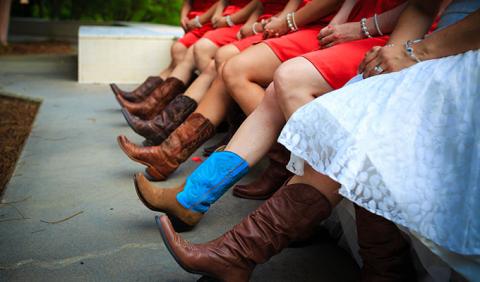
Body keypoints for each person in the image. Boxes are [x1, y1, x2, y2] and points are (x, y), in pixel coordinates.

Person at [156, 0, 480, 280]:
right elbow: (421, 5)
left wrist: (411, 50)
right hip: (412, 42)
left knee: (334, 113)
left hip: (456, 50)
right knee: (343, 110)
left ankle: (230, 241)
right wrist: (393, 58)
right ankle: (211, 215)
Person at [130, 0, 409, 227]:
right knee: (264, 84)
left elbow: (423, 8)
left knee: (260, 72)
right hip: (349, 25)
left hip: (394, 37)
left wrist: (356, 27)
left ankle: (281, 173)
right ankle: (191, 196)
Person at [117, 0, 344, 181]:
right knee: (223, 65)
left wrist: (286, 21)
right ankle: (169, 151)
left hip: (322, 27)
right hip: (294, 23)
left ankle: (281, 158)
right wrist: (280, 20)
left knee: (230, 65)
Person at [120, 0, 303, 146]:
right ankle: (166, 130)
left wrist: (238, 22)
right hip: (260, 23)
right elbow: (259, 5)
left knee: (216, 60)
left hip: (286, 27)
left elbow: (283, 10)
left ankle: (170, 128)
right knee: (194, 56)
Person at [114, 0, 256, 121]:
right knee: (179, 50)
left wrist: (213, 19)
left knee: (201, 53)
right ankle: (154, 107)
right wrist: (186, 17)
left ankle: (164, 113)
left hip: (241, 23)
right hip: (220, 20)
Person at [110, 0, 219, 103]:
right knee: (178, 51)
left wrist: (199, 21)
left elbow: (221, 4)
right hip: (194, 24)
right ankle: (151, 100)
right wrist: (183, 18)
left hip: (209, 23)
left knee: (180, 54)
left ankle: (156, 102)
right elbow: (187, 2)